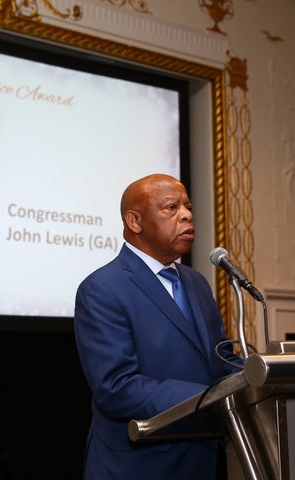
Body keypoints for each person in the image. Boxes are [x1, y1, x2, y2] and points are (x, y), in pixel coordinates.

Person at [73, 173, 243, 479]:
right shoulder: (102, 288)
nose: (187, 215)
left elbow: (220, 359)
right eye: (171, 208)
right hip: (141, 464)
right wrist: (211, 398)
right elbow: (117, 387)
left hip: (204, 460)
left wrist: (259, 377)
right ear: (135, 221)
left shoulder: (197, 282)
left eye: (188, 207)